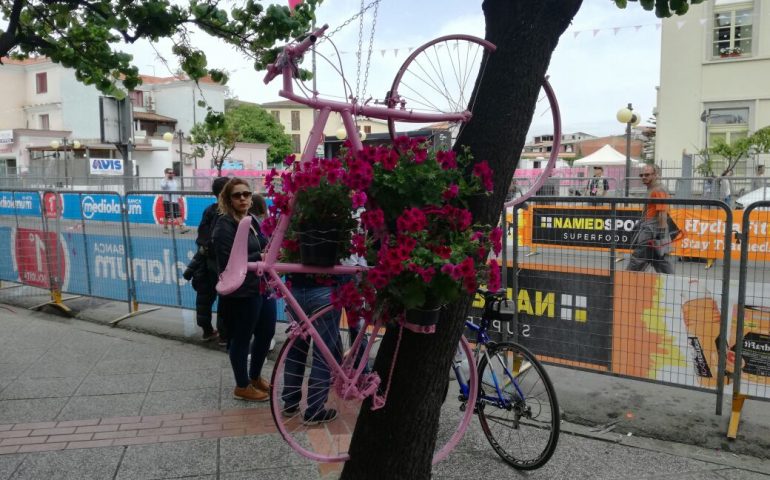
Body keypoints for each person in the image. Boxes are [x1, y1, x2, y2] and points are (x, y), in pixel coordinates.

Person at [212, 178, 271, 402]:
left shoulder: (252, 219)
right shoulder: (224, 225)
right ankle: (242, 385)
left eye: (246, 194)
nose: (244, 198)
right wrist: (260, 257)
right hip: (241, 291)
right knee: (242, 337)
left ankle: (254, 376)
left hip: (261, 285)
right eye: (237, 195)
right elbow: (229, 261)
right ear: (228, 199)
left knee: (266, 333)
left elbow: (264, 244)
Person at [281, 272, 342, 424]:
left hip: (294, 290)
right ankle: (315, 410)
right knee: (322, 354)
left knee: (295, 350)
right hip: (324, 291)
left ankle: (290, 403)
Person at [183, 176, 229, 342]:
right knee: (225, 301)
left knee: (204, 298)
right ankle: (224, 336)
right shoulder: (229, 214)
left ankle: (207, 330)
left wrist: (205, 249)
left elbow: (201, 236)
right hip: (222, 264)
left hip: (205, 260)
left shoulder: (209, 210)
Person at [628, 164, 674, 274]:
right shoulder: (652, 189)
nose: (643, 177)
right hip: (650, 231)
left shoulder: (658, 190)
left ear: (655, 175)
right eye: (641, 175)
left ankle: (625, 284)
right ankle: (672, 283)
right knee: (660, 261)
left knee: (637, 261)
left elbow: (662, 213)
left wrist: (661, 235)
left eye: (647, 174)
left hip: (651, 232)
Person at [249, 193, 277, 353]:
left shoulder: (250, 222)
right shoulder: (262, 224)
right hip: (261, 278)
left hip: (258, 278)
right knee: (264, 320)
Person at [160, 168, 189, 234]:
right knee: (167, 215)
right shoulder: (163, 181)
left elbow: (176, 191)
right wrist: (166, 178)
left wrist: (179, 201)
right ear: (166, 174)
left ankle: (182, 228)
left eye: (172, 173)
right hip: (167, 200)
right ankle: (165, 228)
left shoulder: (174, 181)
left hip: (175, 200)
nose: (172, 174)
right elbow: (163, 186)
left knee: (178, 214)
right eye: (170, 173)